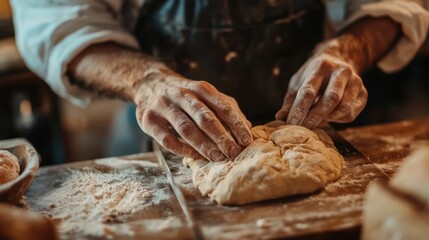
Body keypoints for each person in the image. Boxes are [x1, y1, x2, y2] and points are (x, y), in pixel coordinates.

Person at [11, 0, 429, 162]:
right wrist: (148, 80)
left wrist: (346, 50)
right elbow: (55, 20)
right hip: (167, 138)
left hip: (327, 121)